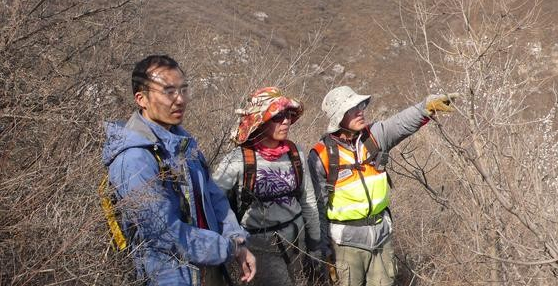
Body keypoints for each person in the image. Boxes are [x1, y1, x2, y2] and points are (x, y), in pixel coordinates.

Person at [102, 55, 256, 286]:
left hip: (208, 271)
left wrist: (237, 239)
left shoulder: (184, 143)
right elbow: (162, 232)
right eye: (169, 92)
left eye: (184, 90)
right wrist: (227, 248)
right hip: (169, 277)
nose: (180, 99)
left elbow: (215, 199)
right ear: (141, 99)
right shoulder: (134, 158)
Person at [307, 86, 457, 286]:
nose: (360, 111)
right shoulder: (321, 155)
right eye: (352, 108)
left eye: (360, 105)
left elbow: (401, 123)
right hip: (345, 244)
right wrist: (322, 250)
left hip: (381, 235)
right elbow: (318, 208)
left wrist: (426, 107)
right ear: (338, 116)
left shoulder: (375, 136)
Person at [212, 87, 323, 286]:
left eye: (288, 115)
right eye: (278, 116)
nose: (286, 121)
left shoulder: (295, 153)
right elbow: (213, 203)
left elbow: (308, 201)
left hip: (298, 243)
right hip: (262, 249)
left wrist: (315, 243)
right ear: (260, 121)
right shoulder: (238, 160)